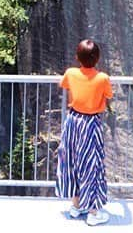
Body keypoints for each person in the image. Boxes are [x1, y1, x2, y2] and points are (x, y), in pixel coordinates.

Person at [56, 39, 113, 226]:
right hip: (90, 124)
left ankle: (76, 205)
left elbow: (63, 84)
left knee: (72, 161)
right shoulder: (102, 78)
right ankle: (93, 212)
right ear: (97, 58)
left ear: (77, 57)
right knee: (91, 165)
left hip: (73, 121)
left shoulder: (71, 73)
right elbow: (109, 95)